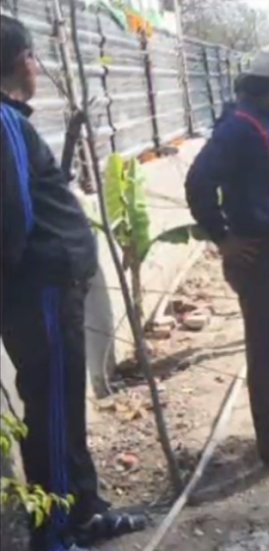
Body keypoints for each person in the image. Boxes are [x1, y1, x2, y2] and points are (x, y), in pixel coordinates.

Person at [1, 15, 145, 551]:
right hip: (39, 289)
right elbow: (11, 216)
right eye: (35, 57)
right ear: (23, 62)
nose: (37, 66)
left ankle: (83, 511)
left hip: (46, 287)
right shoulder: (3, 122)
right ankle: (58, 532)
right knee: (54, 409)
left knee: (61, 405)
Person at [185, 45, 269, 472]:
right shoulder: (240, 127)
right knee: (266, 345)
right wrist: (223, 237)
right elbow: (198, 182)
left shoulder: (267, 122)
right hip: (258, 252)